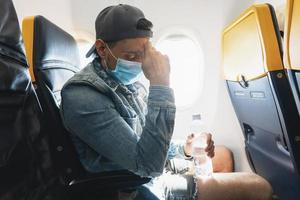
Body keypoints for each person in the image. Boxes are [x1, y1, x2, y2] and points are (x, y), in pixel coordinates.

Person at [60, 4, 272, 200]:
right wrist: (161, 83)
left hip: (147, 170)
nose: (140, 63)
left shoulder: (127, 84)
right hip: (134, 186)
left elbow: (146, 141)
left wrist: (185, 149)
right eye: (131, 55)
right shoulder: (83, 97)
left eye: (144, 54)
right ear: (102, 49)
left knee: (223, 156)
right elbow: (147, 165)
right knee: (259, 186)